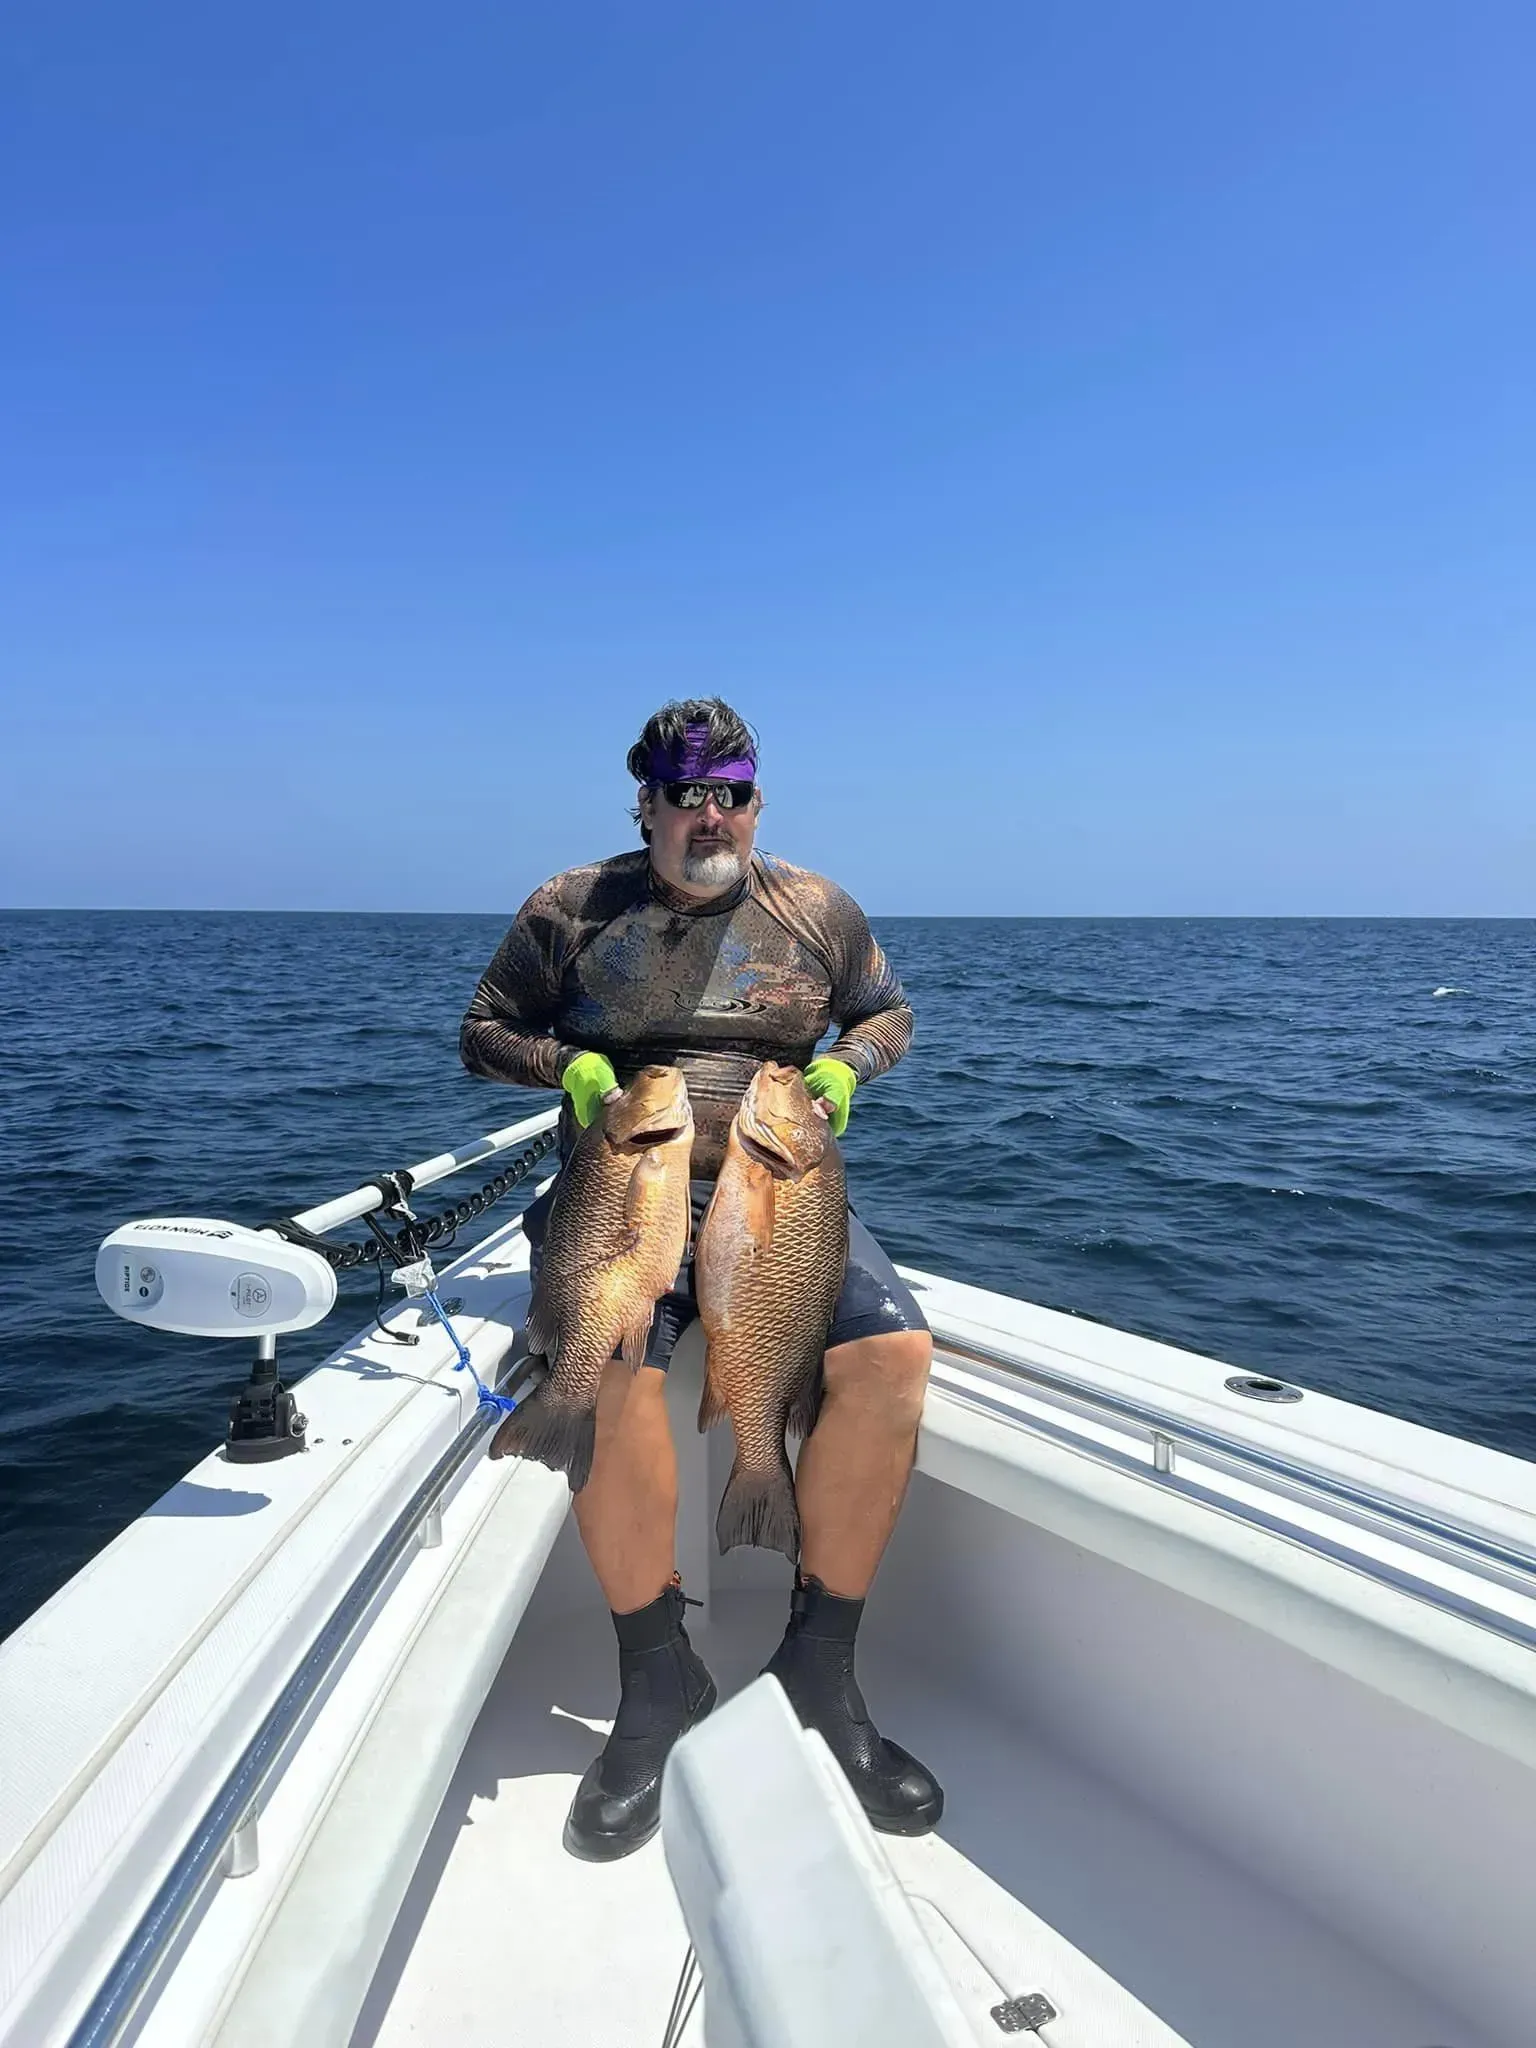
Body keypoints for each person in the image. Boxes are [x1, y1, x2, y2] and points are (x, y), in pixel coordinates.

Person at [460, 697, 941, 1859]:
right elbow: (482, 1029)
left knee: (891, 1355)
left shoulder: (815, 909)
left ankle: (820, 1670)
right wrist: (567, 1064)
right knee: (603, 1376)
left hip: (781, 1194)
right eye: (685, 793)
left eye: (730, 790)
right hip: (623, 1196)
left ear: (758, 798)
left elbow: (890, 1015)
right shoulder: (572, 907)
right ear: (647, 802)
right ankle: (658, 1674)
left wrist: (842, 1076)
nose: (708, 813)